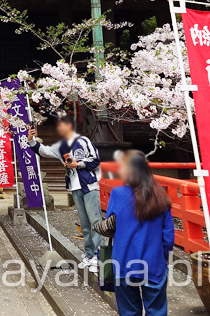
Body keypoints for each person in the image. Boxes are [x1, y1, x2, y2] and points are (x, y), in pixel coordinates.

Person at [95, 150, 174, 316]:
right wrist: (162, 258)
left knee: (129, 312)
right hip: (153, 265)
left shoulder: (117, 194)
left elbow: (110, 228)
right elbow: (168, 239)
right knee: (156, 311)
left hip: (124, 263)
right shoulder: (161, 197)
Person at [28, 115, 103, 270]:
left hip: (89, 186)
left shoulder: (83, 141)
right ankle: (89, 255)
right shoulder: (61, 146)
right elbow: (43, 151)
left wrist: (79, 164)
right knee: (85, 223)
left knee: (95, 221)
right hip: (75, 187)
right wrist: (31, 140)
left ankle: (99, 257)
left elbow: (95, 159)